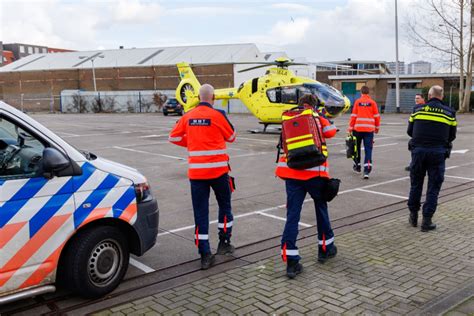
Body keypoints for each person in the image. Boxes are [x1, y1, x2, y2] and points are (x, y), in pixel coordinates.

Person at [169, 84, 237, 269]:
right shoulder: (218, 115)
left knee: (201, 213)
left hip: (197, 174)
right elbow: (232, 137)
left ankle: (205, 255)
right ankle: (224, 243)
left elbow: (173, 137)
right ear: (213, 97)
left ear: (199, 97)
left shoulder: (188, 115)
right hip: (219, 173)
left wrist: (191, 142)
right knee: (225, 206)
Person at [276, 94, 338, 279]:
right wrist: (322, 115)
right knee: (321, 208)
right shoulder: (317, 116)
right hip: (314, 173)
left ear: (299, 104)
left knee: (292, 215)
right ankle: (325, 248)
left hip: (292, 173)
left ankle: (291, 262)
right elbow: (331, 131)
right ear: (313, 105)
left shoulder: (288, 118)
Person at [407, 85, 456, 231]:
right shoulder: (449, 113)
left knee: (416, 184)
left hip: (418, 152)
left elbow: (410, 131)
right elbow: (452, 136)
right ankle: (426, 221)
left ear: (428, 96)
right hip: (437, 153)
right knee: (433, 187)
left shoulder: (417, 110)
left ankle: (413, 216)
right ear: (442, 97)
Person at [348, 86, 381, 179]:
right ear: (368, 93)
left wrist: (350, 128)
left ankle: (357, 166)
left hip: (357, 129)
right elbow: (377, 116)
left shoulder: (357, 102)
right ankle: (367, 170)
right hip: (369, 130)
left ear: (361, 92)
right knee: (368, 150)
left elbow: (353, 116)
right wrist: (377, 128)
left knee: (356, 149)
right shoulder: (373, 103)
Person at [405, 93, 426, 171]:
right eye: (415, 98)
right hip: (418, 133)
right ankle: (414, 164)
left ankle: (414, 165)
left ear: (423, 99)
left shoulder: (419, 108)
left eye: (418, 98)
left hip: (419, 133)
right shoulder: (416, 107)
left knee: (415, 149)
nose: (416, 100)